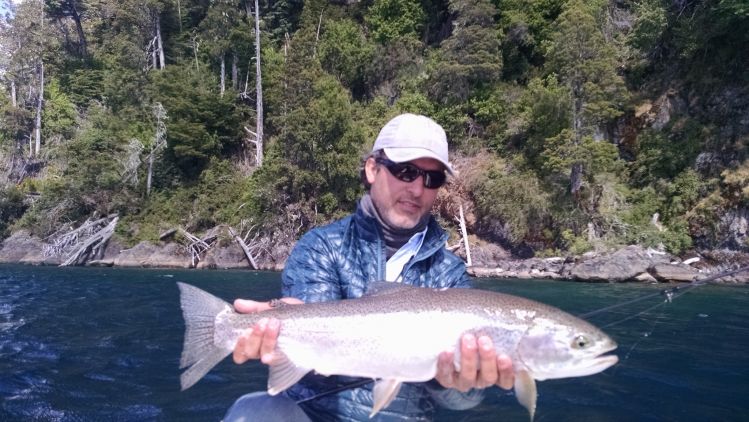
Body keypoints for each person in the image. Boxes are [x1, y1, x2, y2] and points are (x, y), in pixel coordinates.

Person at [223, 113, 515, 421]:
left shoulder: (450, 275)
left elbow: (463, 400)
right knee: (254, 411)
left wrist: (452, 381)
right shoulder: (321, 247)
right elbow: (312, 356)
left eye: (432, 179)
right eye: (406, 171)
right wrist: (283, 321)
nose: (417, 189)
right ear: (373, 169)